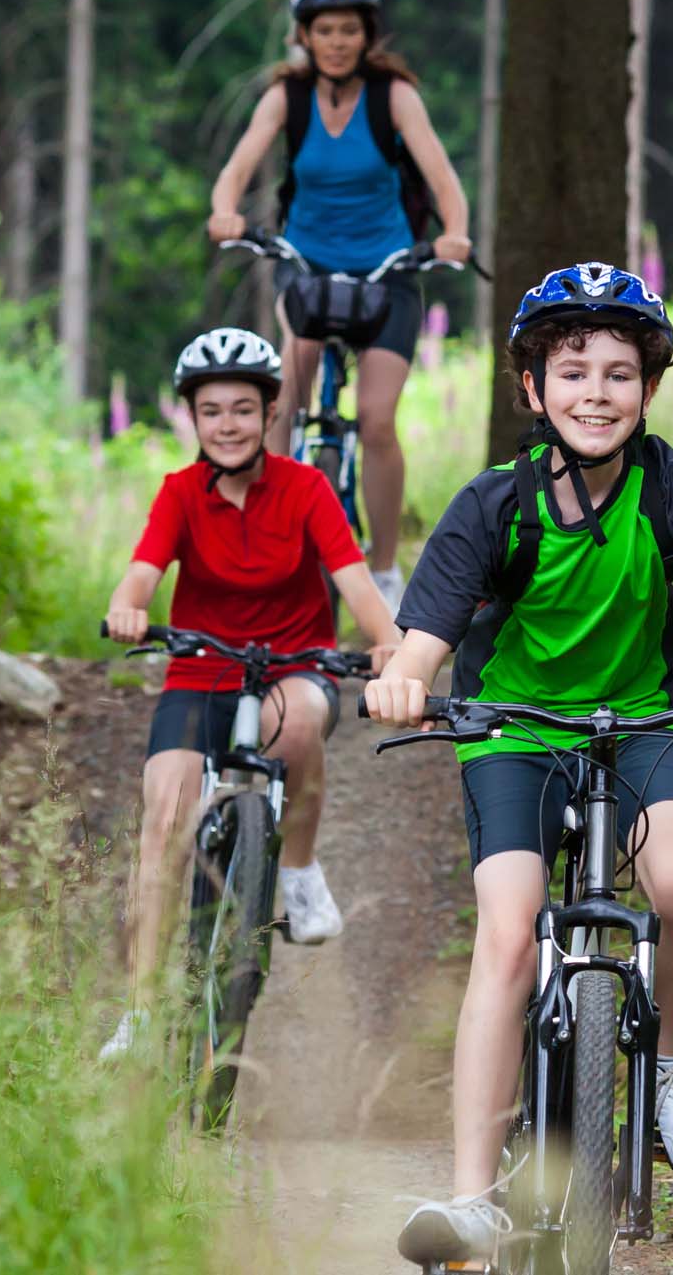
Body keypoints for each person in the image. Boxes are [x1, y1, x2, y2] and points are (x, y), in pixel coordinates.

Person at [363, 264, 673, 1265]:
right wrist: (404, 681)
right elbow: (425, 638)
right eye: (572, 371)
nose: (595, 393)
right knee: (508, 933)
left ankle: (670, 1062)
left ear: (649, 389)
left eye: (619, 374)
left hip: (640, 723)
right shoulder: (495, 504)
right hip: (513, 729)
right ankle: (473, 1197)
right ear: (532, 388)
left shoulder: (667, 486)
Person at [97, 328, 402, 1061]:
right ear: (193, 419)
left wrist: (389, 645)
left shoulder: (306, 488)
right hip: (200, 672)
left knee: (297, 724)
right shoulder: (180, 493)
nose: (227, 424)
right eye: (211, 411)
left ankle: (296, 869)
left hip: (294, 666)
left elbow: (356, 582)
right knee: (161, 820)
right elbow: (140, 574)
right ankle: (139, 1011)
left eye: (243, 409)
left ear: (270, 414)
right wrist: (128, 607)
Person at [206, 0, 473, 615]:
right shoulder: (287, 97)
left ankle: (384, 569)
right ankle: (266, 539)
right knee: (282, 405)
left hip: (388, 273)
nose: (336, 42)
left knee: (377, 421)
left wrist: (455, 233)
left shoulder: (393, 97)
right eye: (324, 30)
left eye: (349, 30)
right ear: (304, 34)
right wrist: (224, 212)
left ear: (367, 34)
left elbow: (443, 178)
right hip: (308, 267)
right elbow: (238, 166)